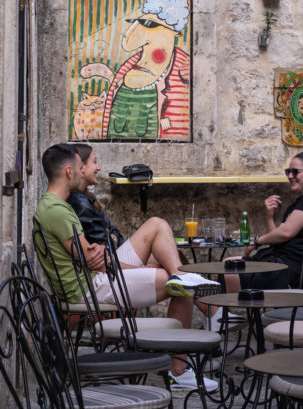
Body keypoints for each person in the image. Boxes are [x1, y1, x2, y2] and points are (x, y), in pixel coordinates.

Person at [34, 143, 219, 391]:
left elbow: (90, 254)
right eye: (81, 167)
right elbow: (91, 260)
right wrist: (96, 252)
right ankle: (179, 372)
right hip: (90, 288)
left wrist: (98, 250)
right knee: (179, 284)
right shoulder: (58, 211)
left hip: (91, 279)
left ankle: (179, 278)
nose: (84, 172)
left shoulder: (51, 205)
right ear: (69, 171)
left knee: (158, 230)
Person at [68, 143, 237, 330]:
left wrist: (114, 239)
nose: (99, 167)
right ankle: (211, 314)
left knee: (175, 259)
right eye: (95, 162)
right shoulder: (80, 203)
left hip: (112, 260)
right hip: (105, 272)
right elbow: (102, 257)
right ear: (81, 168)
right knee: (157, 227)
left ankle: (212, 313)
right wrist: (139, 265)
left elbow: (114, 235)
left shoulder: (86, 197)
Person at [227, 152, 303, 292]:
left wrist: (257, 241)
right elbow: (277, 238)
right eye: (288, 172)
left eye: (295, 172)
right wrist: (269, 216)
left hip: (293, 273)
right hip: (283, 264)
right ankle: (225, 313)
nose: (290, 176)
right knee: (228, 265)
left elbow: (286, 233)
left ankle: (227, 313)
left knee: (229, 271)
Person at [101, 0, 191, 140]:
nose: (135, 30)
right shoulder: (127, 68)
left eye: (150, 24)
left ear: (175, 32)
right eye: (137, 22)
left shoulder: (184, 69)